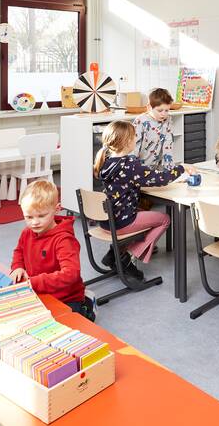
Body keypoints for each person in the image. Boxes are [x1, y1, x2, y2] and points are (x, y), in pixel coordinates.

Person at [94, 120, 195, 273]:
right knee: (164, 220)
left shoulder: (106, 162)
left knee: (141, 210)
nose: (137, 139)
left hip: (107, 220)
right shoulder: (130, 164)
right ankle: (127, 255)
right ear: (127, 141)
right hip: (121, 223)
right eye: (135, 136)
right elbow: (160, 179)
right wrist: (181, 168)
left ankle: (113, 253)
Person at [10, 180, 95, 321]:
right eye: (29, 217)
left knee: (64, 328)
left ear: (57, 209)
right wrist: (17, 267)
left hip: (66, 297)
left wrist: (34, 282)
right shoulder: (27, 232)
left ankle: (86, 307)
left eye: (41, 216)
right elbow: (19, 251)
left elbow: (70, 274)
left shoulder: (64, 240)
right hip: (38, 291)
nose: (34, 222)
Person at [134, 87, 174, 167]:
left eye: (167, 110)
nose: (163, 114)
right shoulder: (140, 121)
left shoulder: (167, 120)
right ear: (149, 107)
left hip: (157, 167)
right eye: (160, 110)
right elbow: (134, 146)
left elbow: (168, 145)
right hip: (139, 167)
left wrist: (169, 168)